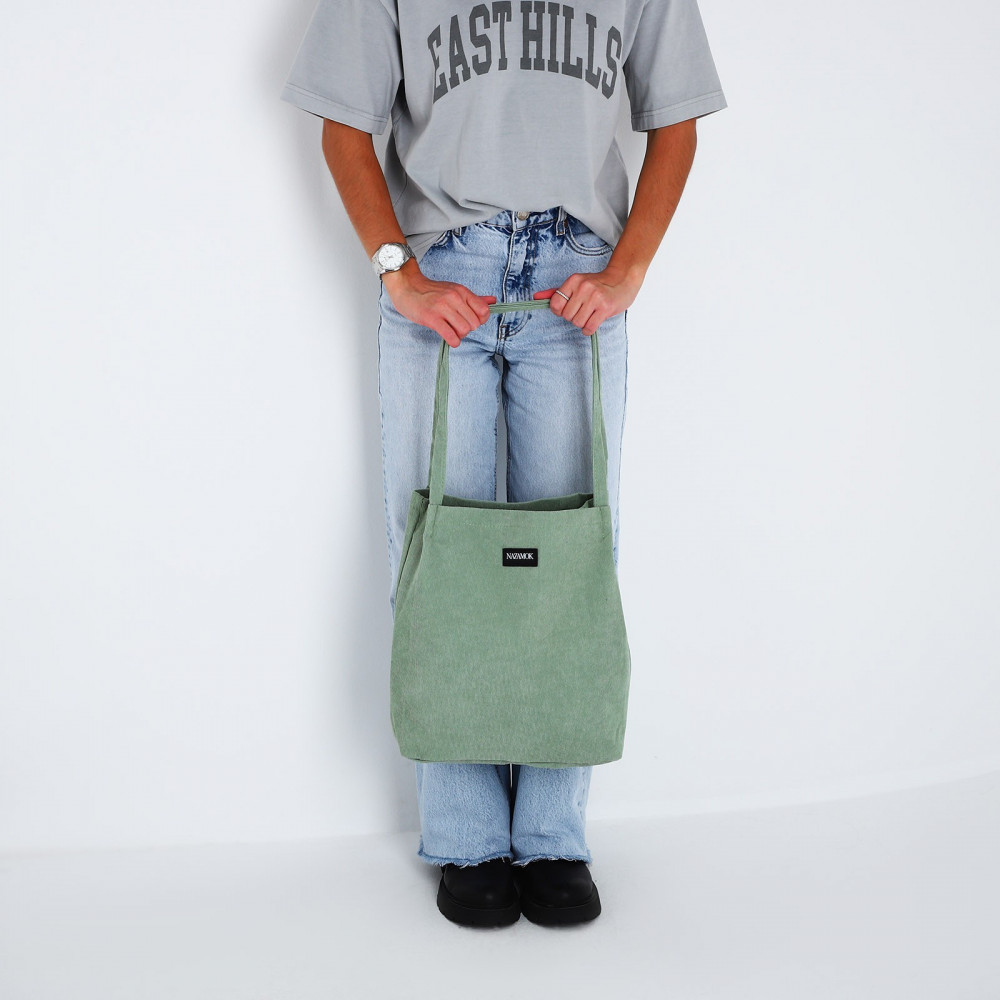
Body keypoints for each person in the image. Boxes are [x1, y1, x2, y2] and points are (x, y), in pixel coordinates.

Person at [280, 0, 727, 928]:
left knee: (574, 558)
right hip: (445, 272)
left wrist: (629, 270)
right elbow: (343, 124)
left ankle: (554, 834)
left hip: (576, 279)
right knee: (434, 553)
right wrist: (398, 271)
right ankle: (466, 834)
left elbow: (676, 120)